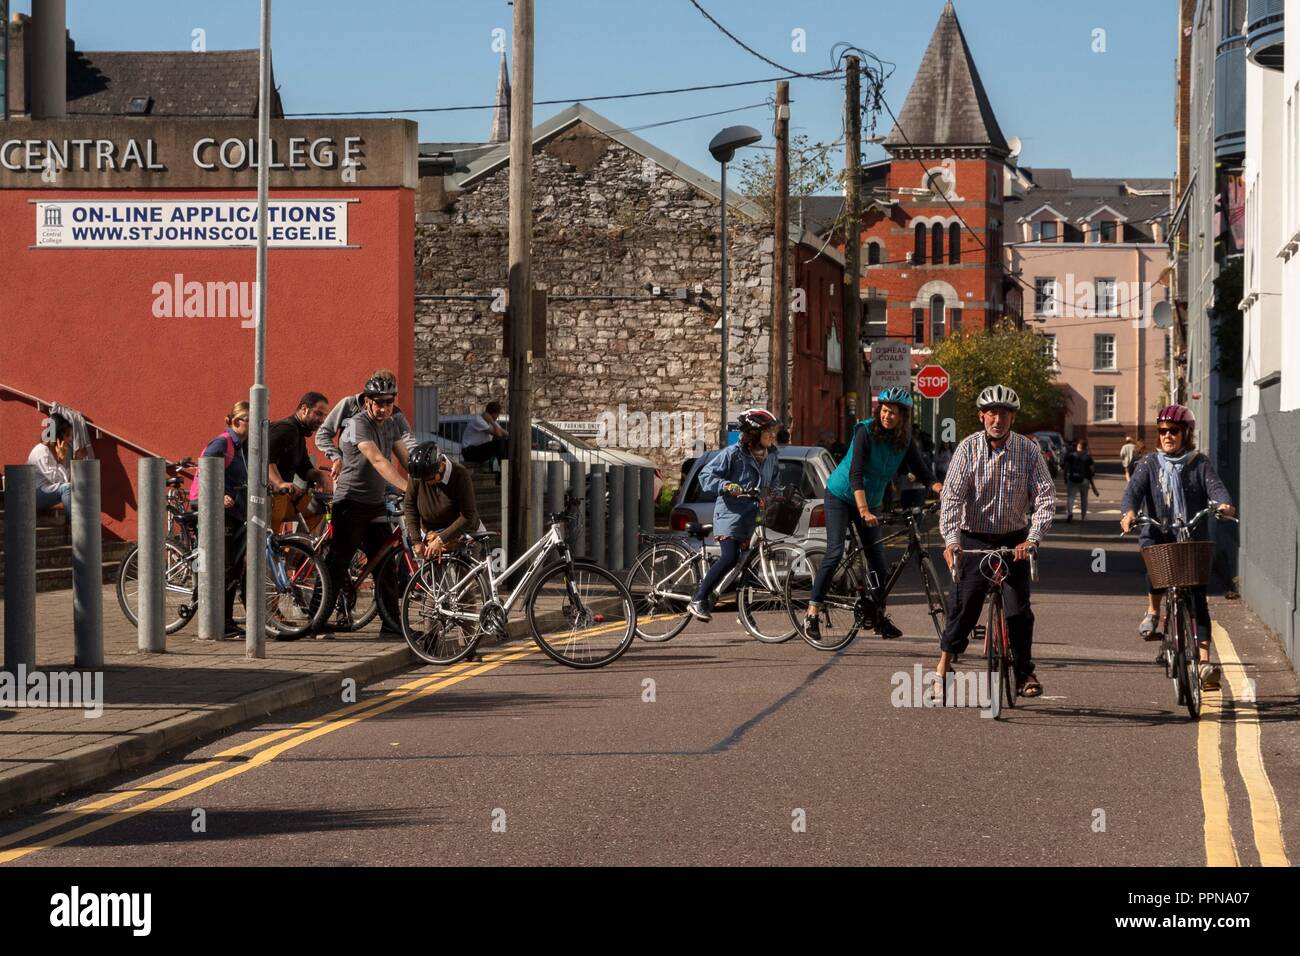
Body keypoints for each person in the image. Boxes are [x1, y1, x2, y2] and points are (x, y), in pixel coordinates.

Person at [936, 384, 1056, 697]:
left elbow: (1045, 497)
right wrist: (951, 541)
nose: (997, 419)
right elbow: (951, 497)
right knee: (964, 606)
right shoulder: (967, 449)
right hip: (974, 537)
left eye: (1003, 413)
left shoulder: (1028, 451)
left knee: (1019, 612)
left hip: (1014, 541)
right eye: (991, 413)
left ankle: (1024, 673)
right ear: (981, 416)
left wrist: (1032, 538)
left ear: (1012, 418)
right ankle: (944, 663)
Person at [803, 387, 943, 642]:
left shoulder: (905, 440)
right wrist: (864, 510)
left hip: (872, 501)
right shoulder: (865, 431)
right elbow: (856, 472)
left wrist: (940, 488)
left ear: (903, 417)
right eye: (885, 411)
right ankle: (813, 611)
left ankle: (877, 616)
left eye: (894, 413)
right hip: (842, 495)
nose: (888, 416)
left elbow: (922, 471)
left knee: (878, 564)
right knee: (835, 552)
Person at [1120, 405, 1235, 690]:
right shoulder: (1148, 464)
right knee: (1156, 569)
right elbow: (1132, 493)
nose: (1167, 436)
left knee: (1197, 595)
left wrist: (1223, 504)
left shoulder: (1199, 463)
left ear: (1186, 434)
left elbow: (1216, 487)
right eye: (1162, 431)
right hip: (1158, 532)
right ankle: (1153, 612)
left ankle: (1206, 662)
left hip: (1190, 536)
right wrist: (1129, 513)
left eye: (1173, 431)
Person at [323, 373, 410, 637]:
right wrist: (408, 489)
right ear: (367, 402)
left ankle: (392, 626)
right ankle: (316, 620)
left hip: (375, 504)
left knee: (385, 564)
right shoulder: (356, 423)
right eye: (379, 403)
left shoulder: (391, 422)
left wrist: (424, 481)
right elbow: (378, 460)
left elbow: (403, 456)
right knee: (337, 563)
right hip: (350, 502)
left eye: (389, 402)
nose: (384, 408)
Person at [686, 408, 782, 622]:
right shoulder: (733, 454)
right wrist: (727, 485)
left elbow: (774, 482)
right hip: (730, 515)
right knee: (730, 557)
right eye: (768, 432)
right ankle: (698, 598)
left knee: (749, 565)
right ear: (755, 433)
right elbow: (706, 475)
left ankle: (744, 614)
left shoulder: (772, 455)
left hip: (754, 516)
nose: (772, 436)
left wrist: (776, 495)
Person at [194, 401, 250, 639]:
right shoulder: (222, 443)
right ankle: (223, 622)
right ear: (237, 422)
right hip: (216, 509)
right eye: (251, 420)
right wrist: (220, 496)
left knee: (235, 566)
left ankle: (226, 619)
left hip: (235, 510)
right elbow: (205, 471)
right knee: (227, 567)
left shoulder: (244, 446)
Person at [315, 368, 415, 481]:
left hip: (381, 477)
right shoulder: (349, 405)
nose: (384, 408)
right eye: (380, 401)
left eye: (389, 399)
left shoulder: (395, 416)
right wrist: (337, 458)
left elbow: (408, 442)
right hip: (350, 478)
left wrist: (420, 463)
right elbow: (322, 435)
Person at [267, 392, 331, 533]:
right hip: (271, 498)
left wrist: (320, 476)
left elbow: (304, 468)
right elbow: (264, 458)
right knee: (270, 545)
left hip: (285, 497)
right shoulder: (286, 429)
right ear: (304, 409)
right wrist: (280, 483)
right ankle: (280, 551)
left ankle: (295, 552)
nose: (321, 420)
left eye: (324, 416)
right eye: (318, 414)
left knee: (317, 509)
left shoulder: (298, 434)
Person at [403, 442, 479, 559]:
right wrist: (417, 540)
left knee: (465, 575)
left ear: (441, 465)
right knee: (433, 576)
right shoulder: (420, 475)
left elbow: (468, 515)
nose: (427, 482)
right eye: (423, 479)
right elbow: (410, 505)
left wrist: (441, 539)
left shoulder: (460, 474)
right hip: (430, 535)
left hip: (460, 534)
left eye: (430, 478)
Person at [28, 414, 74, 519]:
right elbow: (58, 480)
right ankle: (74, 524)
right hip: (34, 495)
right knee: (67, 488)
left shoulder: (52, 451)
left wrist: (61, 459)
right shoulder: (42, 451)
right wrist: (61, 460)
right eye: (67, 435)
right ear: (57, 435)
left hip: (44, 490)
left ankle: (77, 522)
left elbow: (64, 479)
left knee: (72, 487)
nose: (70, 439)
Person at [461, 401, 508, 478]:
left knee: (506, 442)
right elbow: (499, 434)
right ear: (493, 414)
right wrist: (492, 421)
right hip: (469, 452)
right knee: (499, 443)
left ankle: (507, 468)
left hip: (479, 450)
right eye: (497, 415)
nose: (497, 417)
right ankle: (504, 471)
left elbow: (505, 433)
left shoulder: (492, 421)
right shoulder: (478, 420)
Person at [1062, 438, 1096, 522]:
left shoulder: (1071, 456)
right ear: (1085, 447)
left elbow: (1066, 467)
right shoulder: (1088, 457)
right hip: (1084, 480)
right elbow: (1092, 470)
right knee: (1084, 498)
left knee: (1071, 497)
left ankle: (1070, 513)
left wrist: (1065, 477)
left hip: (1072, 478)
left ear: (1078, 446)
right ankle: (1083, 516)